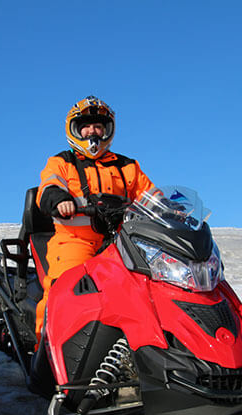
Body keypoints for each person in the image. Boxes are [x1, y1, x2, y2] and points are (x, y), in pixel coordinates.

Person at [35, 96, 160, 338]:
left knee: (148, 288)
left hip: (121, 242)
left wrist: (169, 209)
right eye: (87, 126)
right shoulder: (62, 162)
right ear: (76, 129)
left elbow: (150, 195)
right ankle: (45, 350)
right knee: (62, 290)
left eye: (99, 126)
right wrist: (59, 200)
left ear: (107, 131)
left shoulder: (127, 166)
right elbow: (49, 186)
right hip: (75, 240)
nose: (93, 132)